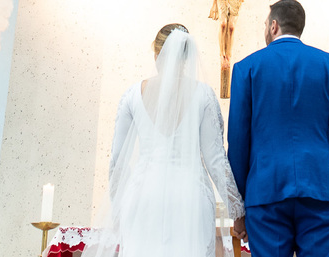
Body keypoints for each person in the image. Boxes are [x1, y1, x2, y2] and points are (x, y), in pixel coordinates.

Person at [92, 23, 244, 257]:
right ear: (186, 56)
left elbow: (117, 162)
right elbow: (216, 161)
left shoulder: (132, 95)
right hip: (190, 198)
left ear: (156, 53)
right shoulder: (203, 94)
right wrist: (237, 211)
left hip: (143, 197)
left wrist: (118, 208)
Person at [227, 0, 329, 257]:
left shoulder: (246, 69)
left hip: (265, 194)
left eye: (266, 24)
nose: (265, 29)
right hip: (321, 192)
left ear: (274, 26)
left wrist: (240, 205)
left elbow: (238, 142)